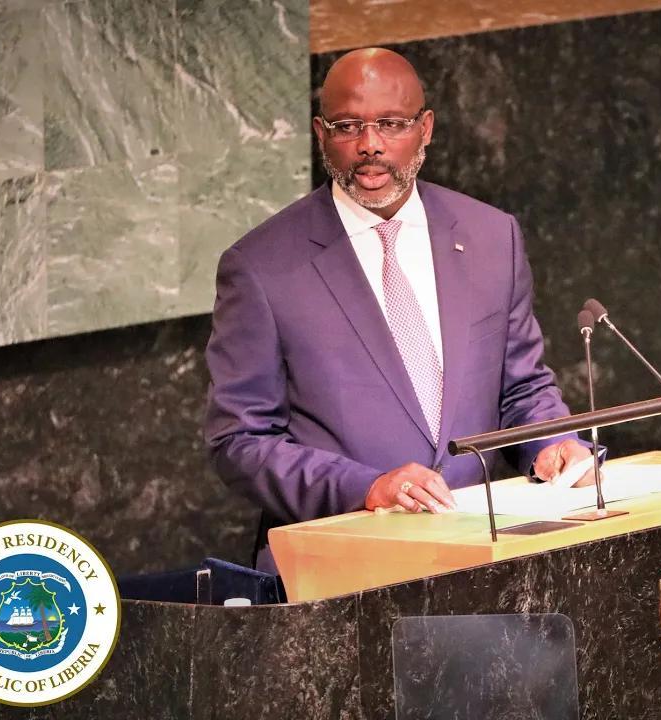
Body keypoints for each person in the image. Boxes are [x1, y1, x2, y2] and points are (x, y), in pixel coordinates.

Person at [204, 48, 593, 573]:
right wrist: (366, 488)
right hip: (340, 569)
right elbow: (240, 440)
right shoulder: (261, 267)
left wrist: (551, 443)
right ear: (320, 134)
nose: (370, 145)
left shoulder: (490, 236)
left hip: (482, 556)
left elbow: (522, 388)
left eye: (391, 124)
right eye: (348, 126)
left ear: (425, 128)